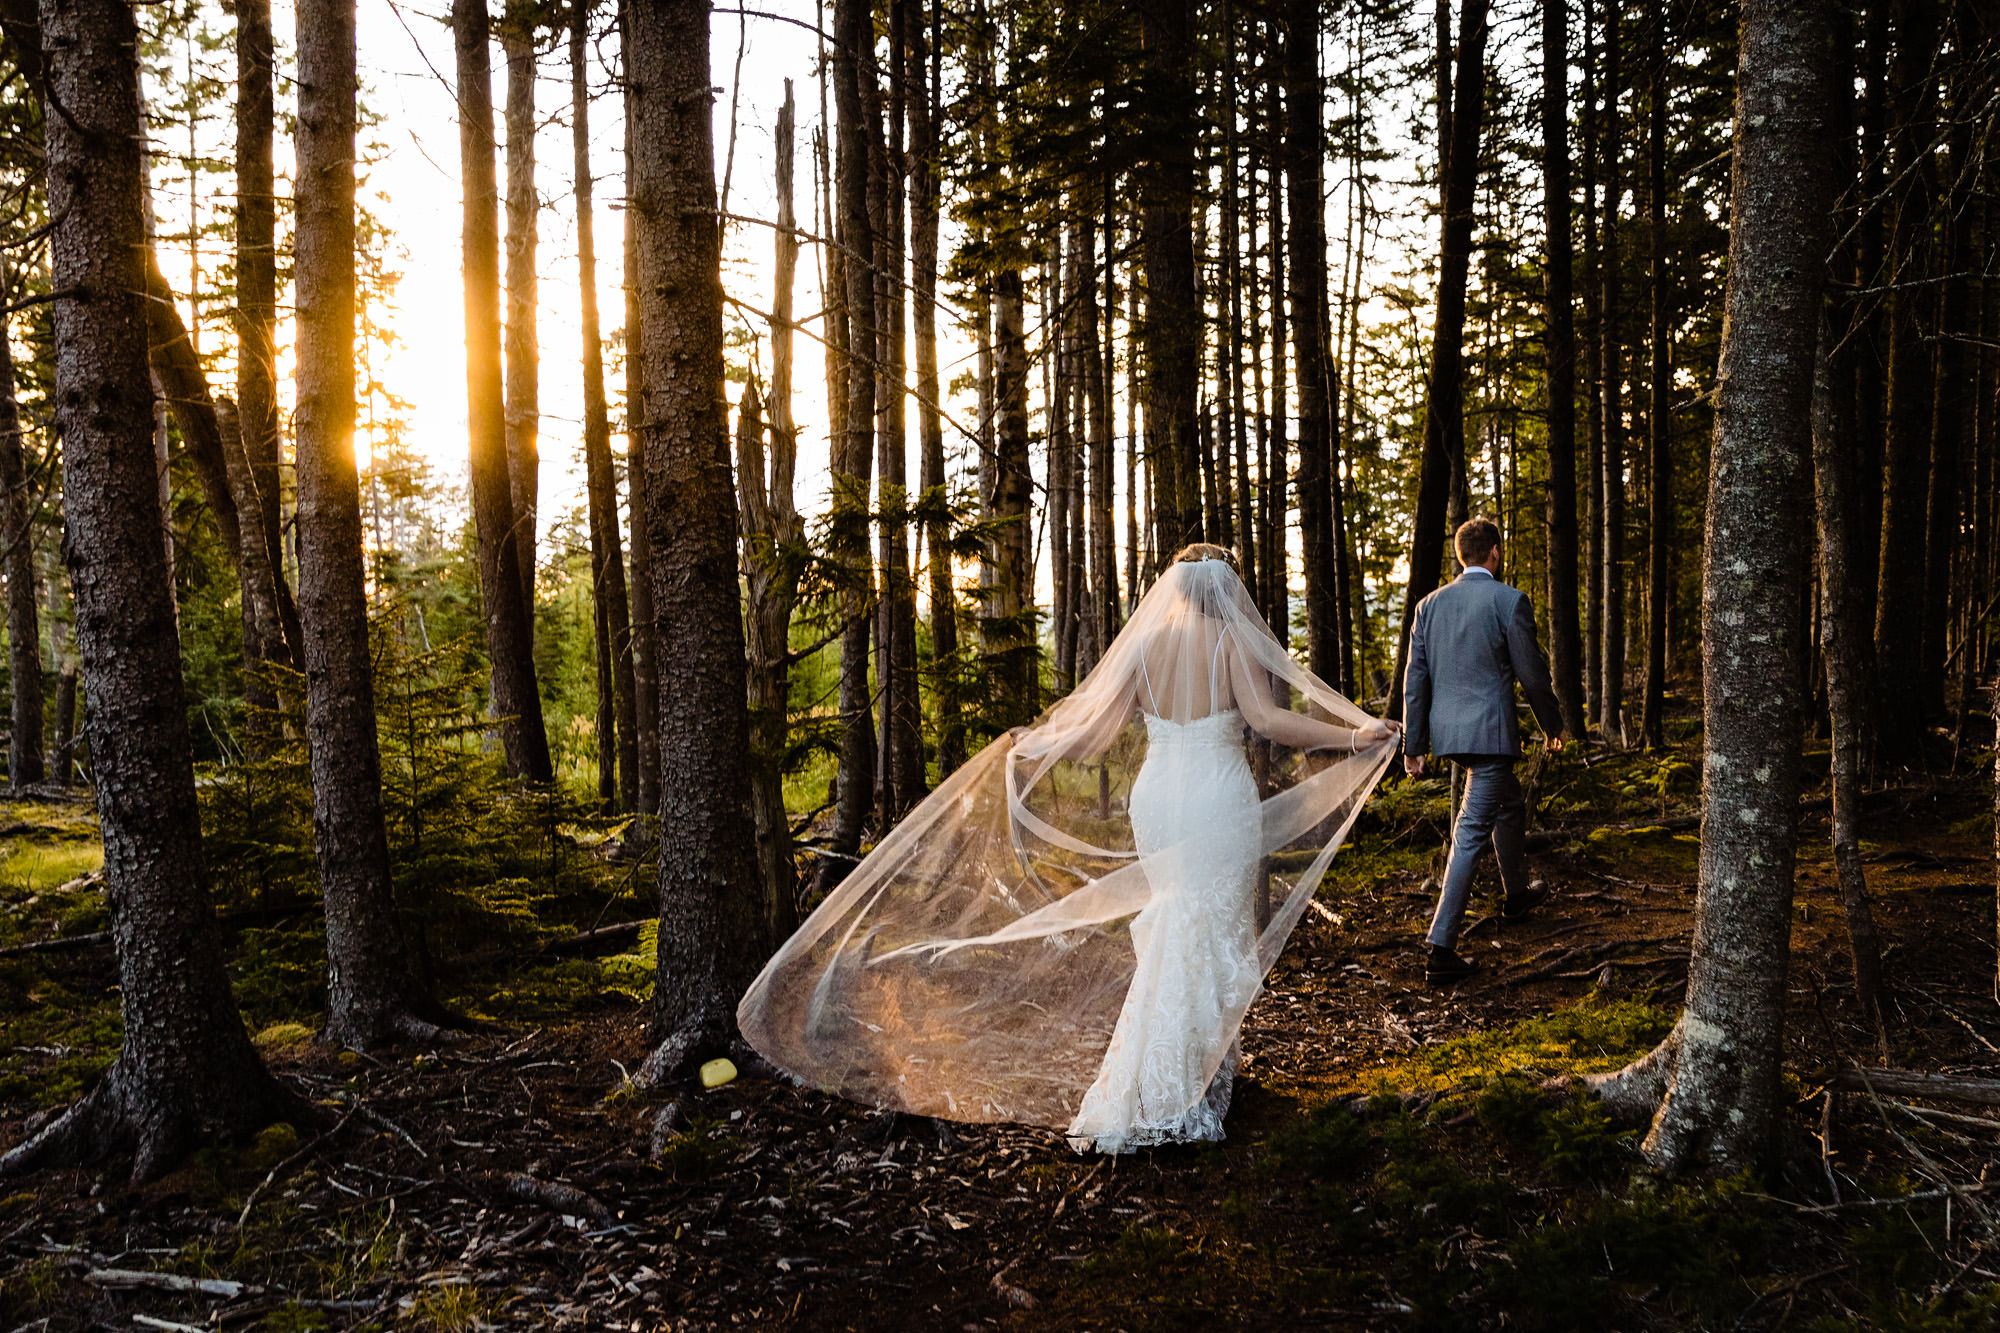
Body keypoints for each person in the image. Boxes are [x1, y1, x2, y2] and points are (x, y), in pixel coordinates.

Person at [738, 543, 1402, 1153]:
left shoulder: (1145, 646)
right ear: (1223, 594)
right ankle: (1180, 1085)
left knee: (1176, 930)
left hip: (1158, 799)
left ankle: (1176, 1079)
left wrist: (1034, 745)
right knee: (1208, 930)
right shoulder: (1229, 638)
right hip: (1213, 795)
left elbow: (1090, 735)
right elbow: (1266, 720)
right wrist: (1355, 733)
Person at [1400, 517, 1567, 984]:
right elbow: (1532, 675)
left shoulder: (1428, 605)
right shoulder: (1508, 600)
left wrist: (1414, 747)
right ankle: (1441, 948)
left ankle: (1517, 896)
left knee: (1508, 806)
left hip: (1451, 736)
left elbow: (1416, 681)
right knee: (1471, 830)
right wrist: (1551, 724)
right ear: (1494, 552)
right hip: (1491, 736)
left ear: (1460, 556)